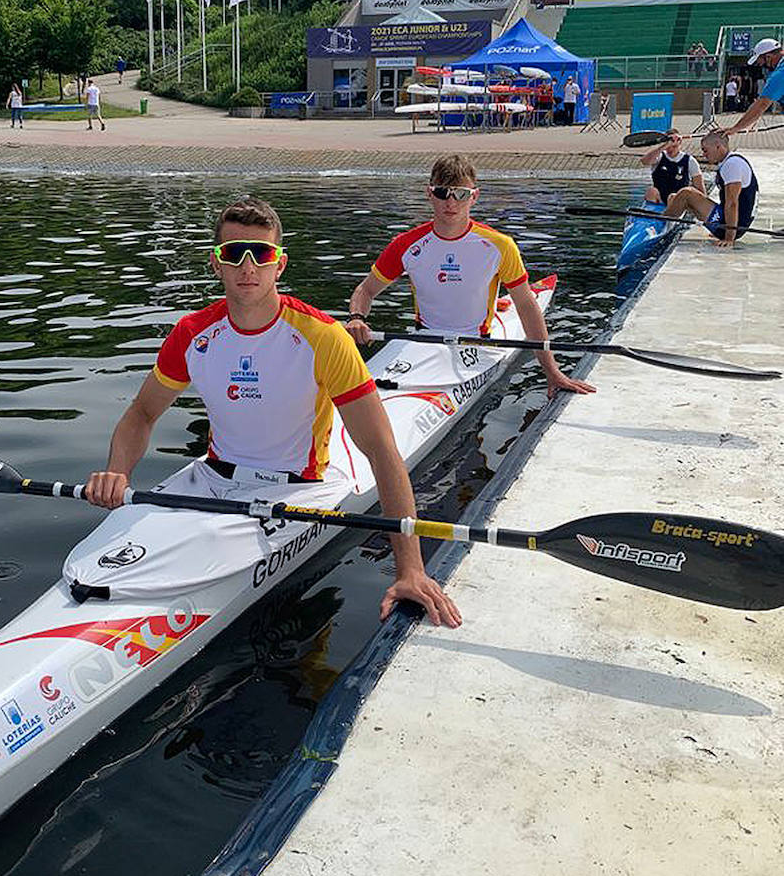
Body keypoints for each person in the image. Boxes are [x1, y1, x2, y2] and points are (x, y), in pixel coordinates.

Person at [84, 195, 461, 628]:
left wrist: (409, 568)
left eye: (261, 254)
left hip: (296, 491)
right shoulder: (191, 333)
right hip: (212, 477)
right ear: (216, 264)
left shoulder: (322, 336)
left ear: (279, 265)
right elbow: (141, 414)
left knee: (203, 544)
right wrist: (117, 472)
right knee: (113, 547)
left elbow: (380, 449)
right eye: (234, 254)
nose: (248, 267)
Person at [344, 154, 596, 399]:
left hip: (476, 345)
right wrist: (356, 318)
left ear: (474, 196)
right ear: (429, 193)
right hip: (423, 340)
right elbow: (365, 290)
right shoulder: (405, 245)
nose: (450, 203)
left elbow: (527, 307)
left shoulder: (500, 246)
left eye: (460, 194)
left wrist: (552, 372)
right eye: (442, 193)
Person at [663, 131, 758, 249]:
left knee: (686, 193)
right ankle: (666, 218)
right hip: (731, 222)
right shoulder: (730, 161)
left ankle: (660, 223)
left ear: (718, 146)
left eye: (705, 150)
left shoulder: (732, 165)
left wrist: (729, 238)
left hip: (732, 226)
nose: (704, 154)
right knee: (673, 197)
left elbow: (732, 204)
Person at [724, 37, 784, 134]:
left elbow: (762, 104)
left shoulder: (780, 73)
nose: (761, 65)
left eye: (762, 62)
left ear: (768, 56)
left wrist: (735, 128)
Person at [638, 129, 704, 205]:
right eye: (668, 140)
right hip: (659, 199)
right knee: (651, 191)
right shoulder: (659, 157)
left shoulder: (690, 161)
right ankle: (649, 213)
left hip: (678, 201)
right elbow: (644, 161)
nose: (672, 144)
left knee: (672, 197)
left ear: (680, 142)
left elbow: (699, 187)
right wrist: (665, 145)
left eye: (673, 140)